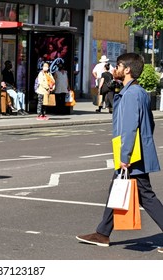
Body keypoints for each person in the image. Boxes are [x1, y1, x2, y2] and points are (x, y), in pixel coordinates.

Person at [76, 53, 163, 254]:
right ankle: (103, 233)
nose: (115, 69)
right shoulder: (136, 92)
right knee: (117, 188)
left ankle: (103, 233)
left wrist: (125, 156)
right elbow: (150, 122)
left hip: (132, 156)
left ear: (127, 70)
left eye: (118, 65)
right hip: (134, 152)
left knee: (146, 196)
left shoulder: (132, 94)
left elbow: (130, 127)